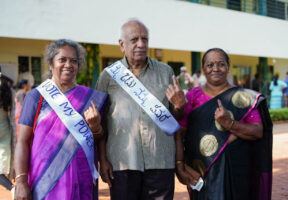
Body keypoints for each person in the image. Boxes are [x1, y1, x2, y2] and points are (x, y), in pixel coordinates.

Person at [96, 19, 185, 200]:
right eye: (134, 40)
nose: (141, 44)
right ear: (122, 44)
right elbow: (100, 122)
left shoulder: (165, 72)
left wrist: (179, 106)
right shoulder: (108, 76)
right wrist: (103, 159)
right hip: (122, 162)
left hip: (160, 159)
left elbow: (173, 119)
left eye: (145, 39)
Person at [14, 39, 107, 200]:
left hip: (82, 179)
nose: (68, 64)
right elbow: (22, 141)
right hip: (45, 181)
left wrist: (95, 127)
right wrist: (21, 182)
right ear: (51, 64)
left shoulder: (89, 99)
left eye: (74, 61)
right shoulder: (37, 97)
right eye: (62, 59)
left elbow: (99, 138)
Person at [175, 48, 273, 200]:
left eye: (221, 64)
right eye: (210, 65)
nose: (215, 69)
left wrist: (230, 124)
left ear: (228, 66)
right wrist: (180, 165)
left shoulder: (243, 97)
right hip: (203, 169)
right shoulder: (193, 96)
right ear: (203, 69)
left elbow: (257, 131)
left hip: (237, 168)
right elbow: (180, 132)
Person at [0, 66, 14, 194]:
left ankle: (12, 188)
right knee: (2, 165)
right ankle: (13, 188)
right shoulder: (7, 88)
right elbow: (12, 110)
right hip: (5, 125)